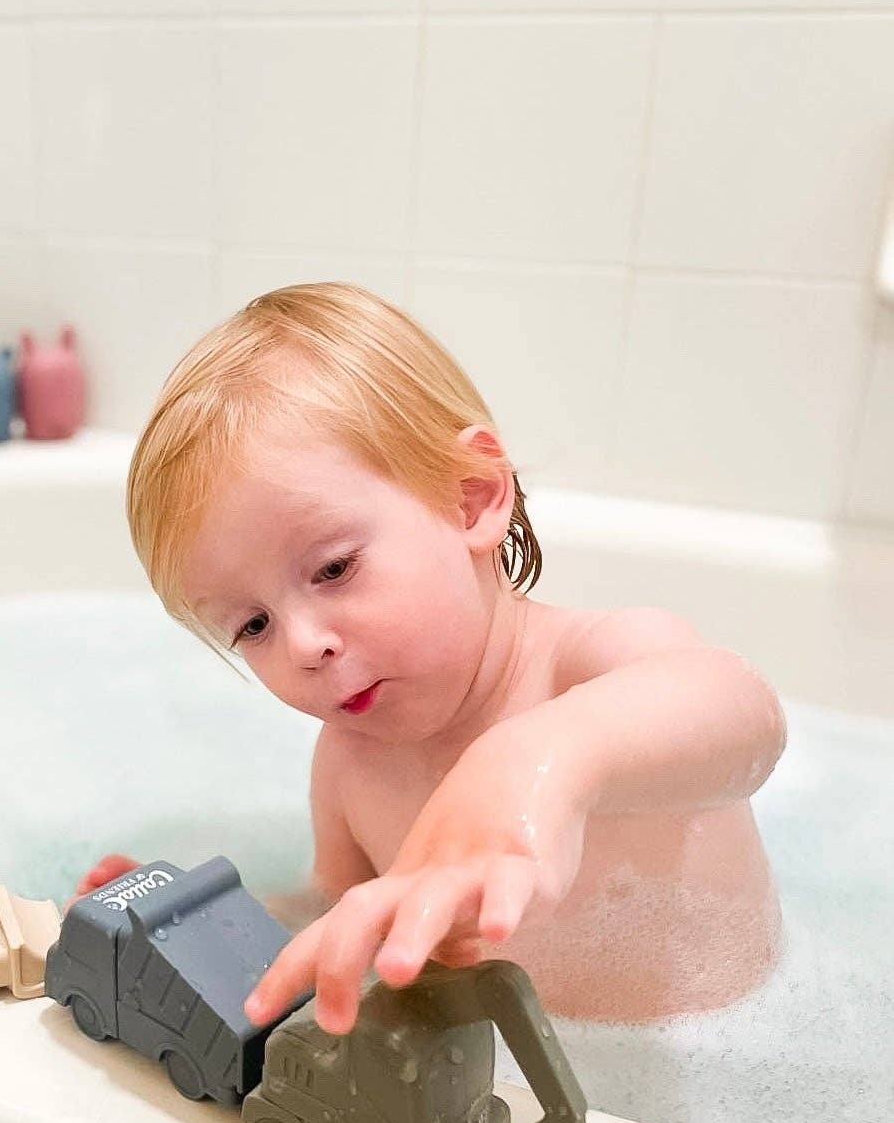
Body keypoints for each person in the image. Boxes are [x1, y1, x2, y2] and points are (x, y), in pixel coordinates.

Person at [75, 282, 784, 1034]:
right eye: (253, 625)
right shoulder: (349, 765)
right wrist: (207, 925)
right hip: (511, 1073)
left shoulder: (596, 666)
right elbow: (337, 915)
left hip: (727, 1045)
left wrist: (536, 759)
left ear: (469, 498)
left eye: (334, 569)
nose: (303, 645)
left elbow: (747, 716)